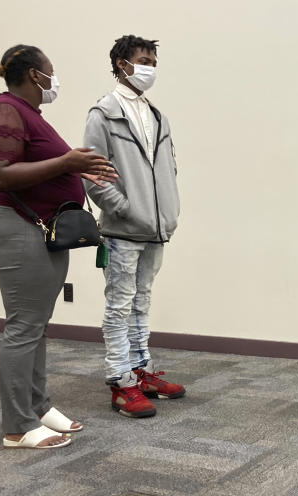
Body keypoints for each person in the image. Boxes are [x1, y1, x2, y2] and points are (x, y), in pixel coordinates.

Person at [0, 44, 116, 449]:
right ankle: (18, 426)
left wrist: (80, 167)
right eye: (51, 72)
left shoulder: (31, 115)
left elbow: (51, 167)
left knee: (36, 326)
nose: (55, 80)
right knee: (23, 328)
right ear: (35, 75)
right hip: (17, 226)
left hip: (41, 229)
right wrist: (68, 164)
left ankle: (38, 405)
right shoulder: (1, 111)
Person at [83, 35, 183, 418]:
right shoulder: (103, 113)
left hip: (157, 228)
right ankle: (120, 382)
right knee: (119, 305)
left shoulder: (157, 115)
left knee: (142, 301)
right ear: (122, 64)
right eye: (143, 60)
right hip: (124, 229)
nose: (149, 68)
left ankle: (140, 370)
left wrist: (168, 212)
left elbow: (169, 169)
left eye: (154, 62)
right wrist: (124, 208)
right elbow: (92, 174)